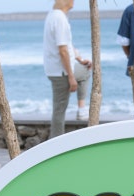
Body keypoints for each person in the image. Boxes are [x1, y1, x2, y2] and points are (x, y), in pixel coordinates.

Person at [44, 0, 91, 138]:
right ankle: (55, 142)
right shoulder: (60, 18)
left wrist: (79, 59)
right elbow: (63, 50)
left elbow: (67, 45)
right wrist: (71, 77)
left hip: (57, 69)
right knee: (59, 110)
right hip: (61, 72)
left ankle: (81, 110)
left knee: (85, 70)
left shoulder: (53, 15)